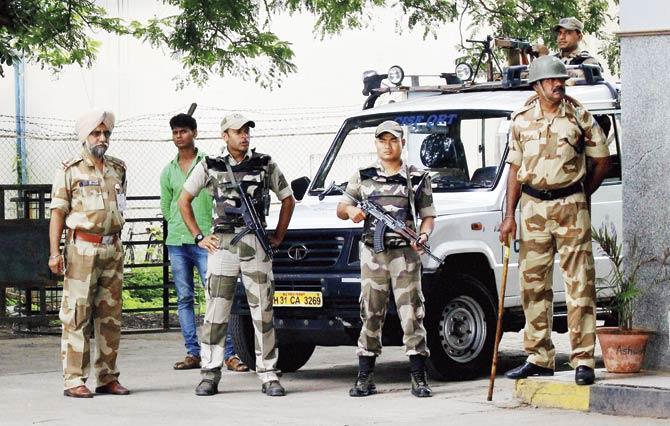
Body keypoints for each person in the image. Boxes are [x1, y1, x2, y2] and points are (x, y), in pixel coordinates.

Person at [499, 56, 611, 386]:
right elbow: (515, 170)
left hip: (570, 205)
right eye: (550, 81)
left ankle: (583, 360)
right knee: (533, 285)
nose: (557, 84)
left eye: (560, 79)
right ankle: (539, 357)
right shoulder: (521, 119)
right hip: (533, 207)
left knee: (579, 283)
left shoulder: (578, 114)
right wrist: (509, 216)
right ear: (537, 85)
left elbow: (601, 161)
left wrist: (580, 194)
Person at [178, 112, 295, 396]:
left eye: (246, 131)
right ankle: (210, 372)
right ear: (225, 136)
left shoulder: (264, 164)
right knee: (216, 311)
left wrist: (278, 235)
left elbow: (288, 199)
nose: (244, 136)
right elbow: (184, 200)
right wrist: (199, 237)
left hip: (255, 242)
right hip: (223, 245)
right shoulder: (210, 165)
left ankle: (268, 373)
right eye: (237, 131)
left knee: (263, 311)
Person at [336, 120, 436, 398]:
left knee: (412, 313)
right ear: (376, 143)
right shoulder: (363, 175)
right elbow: (342, 207)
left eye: (393, 140)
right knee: (371, 311)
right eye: (382, 140)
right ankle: (365, 377)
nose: (388, 145)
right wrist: (352, 211)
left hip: (405, 254)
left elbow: (428, 216)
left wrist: (424, 237)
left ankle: (418, 376)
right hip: (373, 254)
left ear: (402, 143)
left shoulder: (416, 177)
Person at [48, 110, 130, 398]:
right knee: (77, 314)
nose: (102, 138)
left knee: (110, 316)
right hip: (81, 249)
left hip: (112, 248)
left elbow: (120, 206)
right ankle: (74, 379)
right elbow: (58, 212)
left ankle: (107, 377)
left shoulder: (117, 168)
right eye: (96, 133)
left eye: (105, 133)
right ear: (84, 136)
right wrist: (54, 253)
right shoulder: (70, 170)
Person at [160, 113, 248, 372]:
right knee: (185, 298)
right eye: (175, 132)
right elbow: (167, 207)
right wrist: (182, 227)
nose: (179, 136)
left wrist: (203, 233)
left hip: (207, 242)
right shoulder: (168, 171)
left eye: (184, 131)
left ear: (194, 133)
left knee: (218, 296)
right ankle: (192, 352)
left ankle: (229, 354)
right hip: (177, 241)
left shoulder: (209, 165)